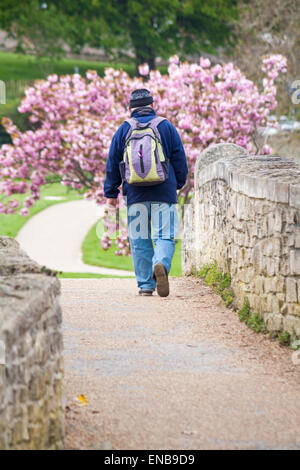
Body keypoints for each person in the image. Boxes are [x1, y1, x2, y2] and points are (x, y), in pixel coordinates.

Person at [104, 88, 188, 297]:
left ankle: (145, 285)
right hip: (164, 192)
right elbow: (179, 159)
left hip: (135, 194)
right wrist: (177, 184)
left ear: (131, 108)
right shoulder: (166, 127)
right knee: (165, 236)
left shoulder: (123, 130)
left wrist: (111, 194)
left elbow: (113, 163)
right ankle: (160, 263)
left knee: (140, 239)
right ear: (152, 105)